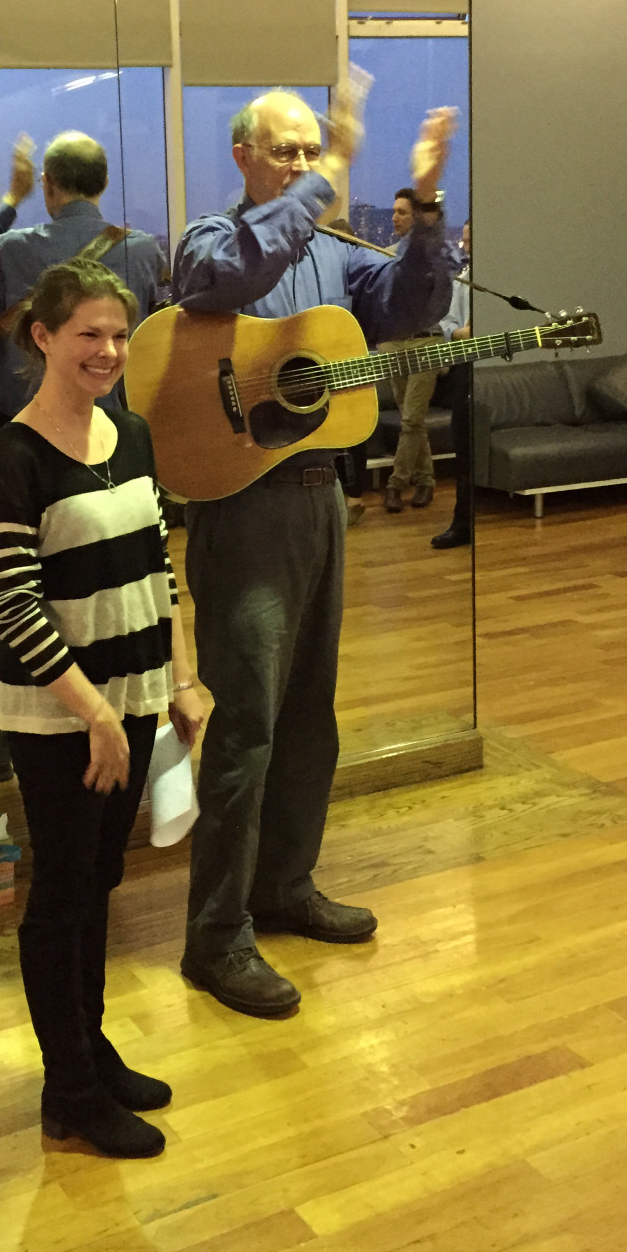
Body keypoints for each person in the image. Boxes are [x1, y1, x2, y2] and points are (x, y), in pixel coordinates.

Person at [170, 86, 455, 1018]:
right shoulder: (210, 241)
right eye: (285, 152)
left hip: (322, 496)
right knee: (246, 726)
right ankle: (215, 936)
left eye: (309, 152)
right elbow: (228, 280)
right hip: (242, 506)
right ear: (243, 157)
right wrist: (330, 174)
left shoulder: (336, 254)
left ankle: (284, 887)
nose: (300, 166)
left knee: (308, 718)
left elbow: (416, 306)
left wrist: (427, 208)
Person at [0, 255, 202, 1160]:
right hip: (59, 718)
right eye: (88, 335)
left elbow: (158, 568)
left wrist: (180, 681)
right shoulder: (14, 457)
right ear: (42, 337)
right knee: (62, 893)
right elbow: (13, 606)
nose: (107, 351)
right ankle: (67, 1088)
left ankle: (90, 1050)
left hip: (135, 699)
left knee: (99, 882)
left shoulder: (132, 435)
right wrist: (94, 715)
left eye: (118, 335)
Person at [0, 130, 168, 785]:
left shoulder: (16, 248)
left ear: (49, 184)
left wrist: (8, 201)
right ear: (102, 183)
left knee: (22, 594)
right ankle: (106, 714)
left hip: (33, 445)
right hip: (115, 444)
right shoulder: (145, 250)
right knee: (116, 586)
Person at [383, 187, 444, 515]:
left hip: (425, 343)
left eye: (402, 212)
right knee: (414, 420)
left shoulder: (431, 256)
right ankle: (426, 480)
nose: (395, 217)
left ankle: (396, 484)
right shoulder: (386, 255)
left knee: (409, 419)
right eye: (394, 211)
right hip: (395, 343)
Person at [431, 221, 473, 551]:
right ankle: (462, 523)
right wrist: (458, 333)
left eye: (469, 241)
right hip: (464, 368)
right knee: (464, 449)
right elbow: (446, 321)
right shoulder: (462, 279)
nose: (465, 246)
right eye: (464, 240)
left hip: (494, 370)